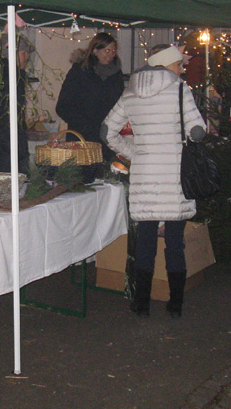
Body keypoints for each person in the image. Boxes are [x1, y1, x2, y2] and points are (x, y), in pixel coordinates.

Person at [103, 44, 207, 318]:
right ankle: (175, 305)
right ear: (168, 64)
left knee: (146, 242)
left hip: (145, 174)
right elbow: (197, 132)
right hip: (174, 176)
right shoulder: (180, 90)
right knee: (174, 242)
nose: (182, 69)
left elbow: (107, 131)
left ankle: (141, 303)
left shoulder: (130, 91)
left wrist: (134, 153)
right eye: (179, 64)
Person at [56, 32, 124, 162]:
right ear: (95, 50)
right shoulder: (80, 71)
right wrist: (84, 125)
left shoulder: (116, 75)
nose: (110, 55)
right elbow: (63, 106)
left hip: (107, 139)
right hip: (82, 140)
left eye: (113, 51)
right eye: (107, 50)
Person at [0, 34, 34, 174]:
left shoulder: (10, 76)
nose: (26, 57)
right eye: (23, 53)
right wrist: (14, 147)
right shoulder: (7, 78)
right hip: (5, 149)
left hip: (5, 145)